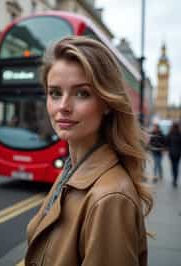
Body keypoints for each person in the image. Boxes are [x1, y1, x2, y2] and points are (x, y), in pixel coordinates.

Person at [25, 36, 153, 266]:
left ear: (106, 103)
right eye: (55, 92)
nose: (63, 106)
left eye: (81, 93)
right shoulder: (73, 169)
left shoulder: (110, 198)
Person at [166, 122, 181, 187]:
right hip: (178, 153)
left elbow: (166, 142)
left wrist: (168, 148)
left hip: (171, 153)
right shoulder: (179, 134)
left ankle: (174, 178)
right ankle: (175, 179)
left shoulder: (170, 134)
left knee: (173, 166)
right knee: (176, 166)